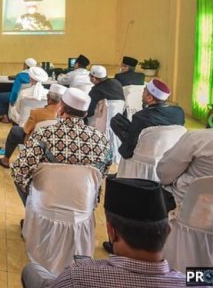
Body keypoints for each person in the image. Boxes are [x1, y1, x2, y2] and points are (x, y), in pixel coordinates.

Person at [22, 177, 185, 288]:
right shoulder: (198, 281)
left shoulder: (78, 277)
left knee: (31, 270)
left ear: (111, 232)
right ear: (168, 231)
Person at [11, 88, 111, 205]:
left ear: (61, 109)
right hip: (82, 206)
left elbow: (19, 171)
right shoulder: (102, 140)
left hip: (46, 203)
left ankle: (32, 208)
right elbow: (102, 174)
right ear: (85, 114)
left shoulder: (44, 134)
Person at [110, 79, 185, 159]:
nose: (142, 93)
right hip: (170, 152)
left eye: (144, 91)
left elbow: (129, 149)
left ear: (149, 98)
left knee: (116, 121)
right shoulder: (179, 112)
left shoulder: (141, 117)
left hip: (144, 156)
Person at [0, 84, 65, 169]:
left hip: (36, 144)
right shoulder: (64, 116)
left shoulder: (37, 112)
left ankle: (5, 160)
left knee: (14, 130)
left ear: (48, 97)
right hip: (57, 145)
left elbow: (26, 130)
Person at [0, 58, 38, 124]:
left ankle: (5, 117)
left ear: (26, 66)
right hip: (31, 97)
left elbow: (15, 91)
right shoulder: (36, 77)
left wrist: (12, 100)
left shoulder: (20, 76)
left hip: (18, 97)